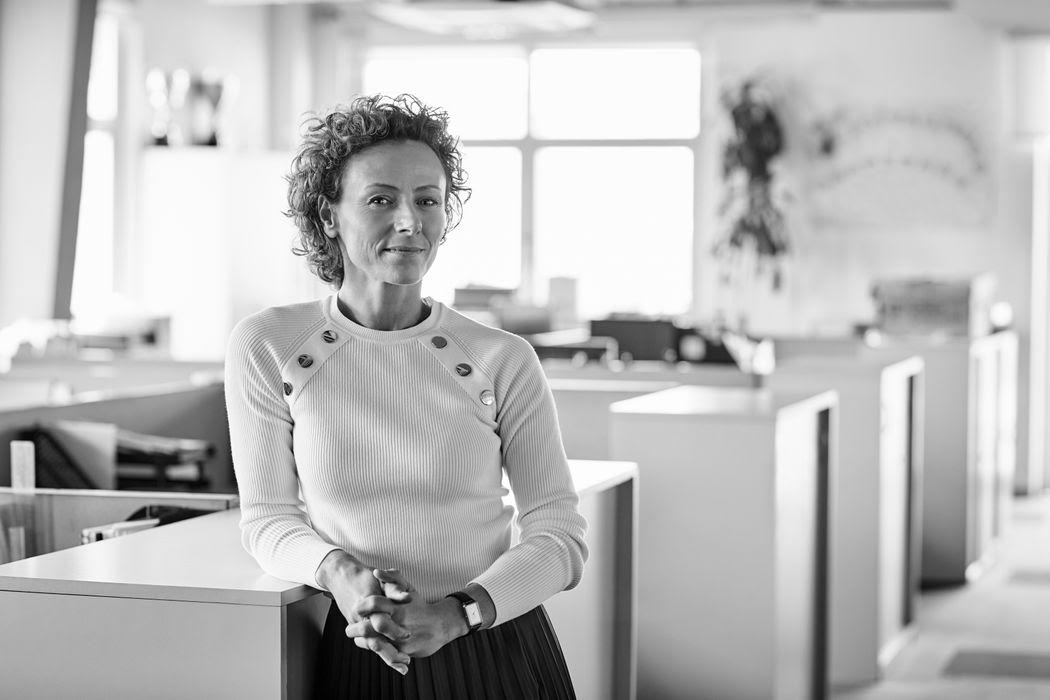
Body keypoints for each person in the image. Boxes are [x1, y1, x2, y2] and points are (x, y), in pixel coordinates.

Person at [224, 93, 588, 699]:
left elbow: (559, 536)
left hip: (493, 651)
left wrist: (457, 613)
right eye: (380, 199)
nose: (409, 222)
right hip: (363, 654)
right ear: (328, 214)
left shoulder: (502, 358)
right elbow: (267, 521)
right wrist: (337, 572)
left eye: (427, 200)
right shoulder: (268, 346)